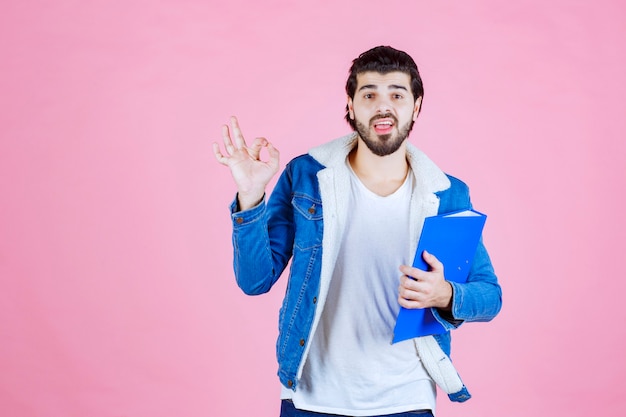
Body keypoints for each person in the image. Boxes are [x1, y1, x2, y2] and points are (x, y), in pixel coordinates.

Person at [213, 45, 502, 417]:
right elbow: (254, 281)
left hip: (407, 400)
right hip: (312, 399)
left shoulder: (446, 194)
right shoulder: (307, 176)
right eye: (369, 94)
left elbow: (489, 296)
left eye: (397, 94)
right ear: (350, 106)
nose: (383, 106)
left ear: (416, 107)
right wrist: (250, 198)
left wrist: (444, 293)